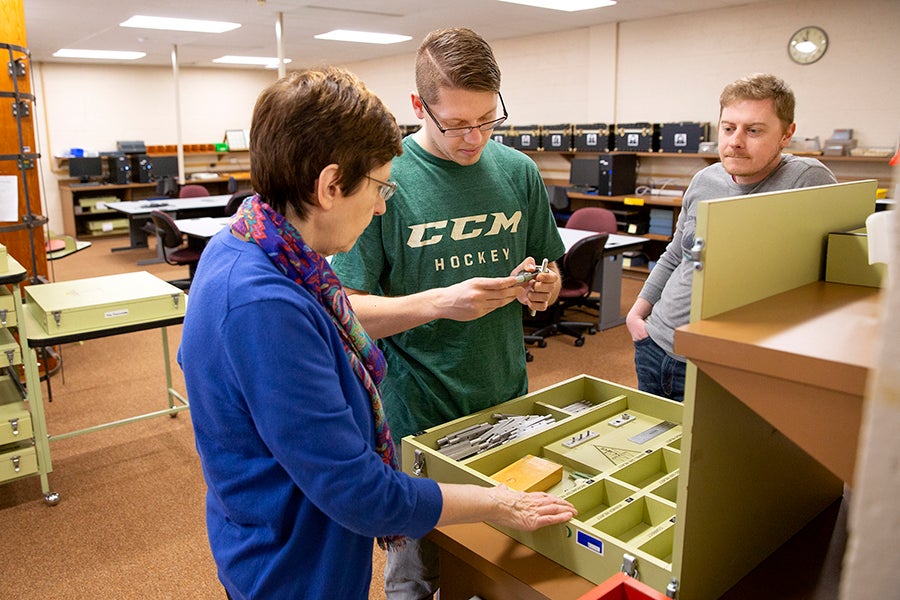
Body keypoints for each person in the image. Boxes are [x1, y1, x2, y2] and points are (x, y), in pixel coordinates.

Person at [177, 67, 576, 600]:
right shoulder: (265, 304)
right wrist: (501, 502)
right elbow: (359, 493)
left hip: (278, 533)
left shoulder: (248, 247)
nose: (384, 204)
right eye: (381, 186)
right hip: (292, 566)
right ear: (330, 185)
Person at [329, 27, 565, 599]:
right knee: (416, 574)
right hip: (418, 415)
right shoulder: (384, 179)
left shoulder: (517, 171)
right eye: (456, 123)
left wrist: (544, 288)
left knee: (500, 561)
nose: (474, 138)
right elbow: (345, 312)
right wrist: (441, 302)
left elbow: (549, 275)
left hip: (507, 400)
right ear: (418, 107)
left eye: (487, 119)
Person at [625, 73, 837, 402]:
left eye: (753, 130)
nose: (736, 141)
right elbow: (677, 254)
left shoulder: (807, 181)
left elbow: (827, 281)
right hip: (657, 345)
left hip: (725, 363)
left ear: (786, 134)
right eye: (728, 128)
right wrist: (638, 315)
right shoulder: (704, 179)